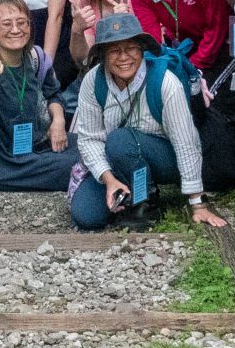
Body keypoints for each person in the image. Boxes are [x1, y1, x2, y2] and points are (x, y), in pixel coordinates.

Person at [68, 12, 225, 230]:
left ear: (142, 49)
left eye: (131, 48)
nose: (123, 57)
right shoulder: (92, 82)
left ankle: (145, 200)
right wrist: (107, 179)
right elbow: (89, 139)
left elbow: (186, 142)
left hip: (163, 158)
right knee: (87, 215)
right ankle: (123, 188)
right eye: (114, 50)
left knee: (120, 140)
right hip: (116, 160)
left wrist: (197, 203)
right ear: (103, 55)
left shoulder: (165, 82)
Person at [0, 0, 79, 191]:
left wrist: (58, 121)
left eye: (22, 22)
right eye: (6, 24)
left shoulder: (35, 58)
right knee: (79, 164)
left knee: (90, 146)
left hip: (33, 144)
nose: (15, 30)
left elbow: (53, 94)